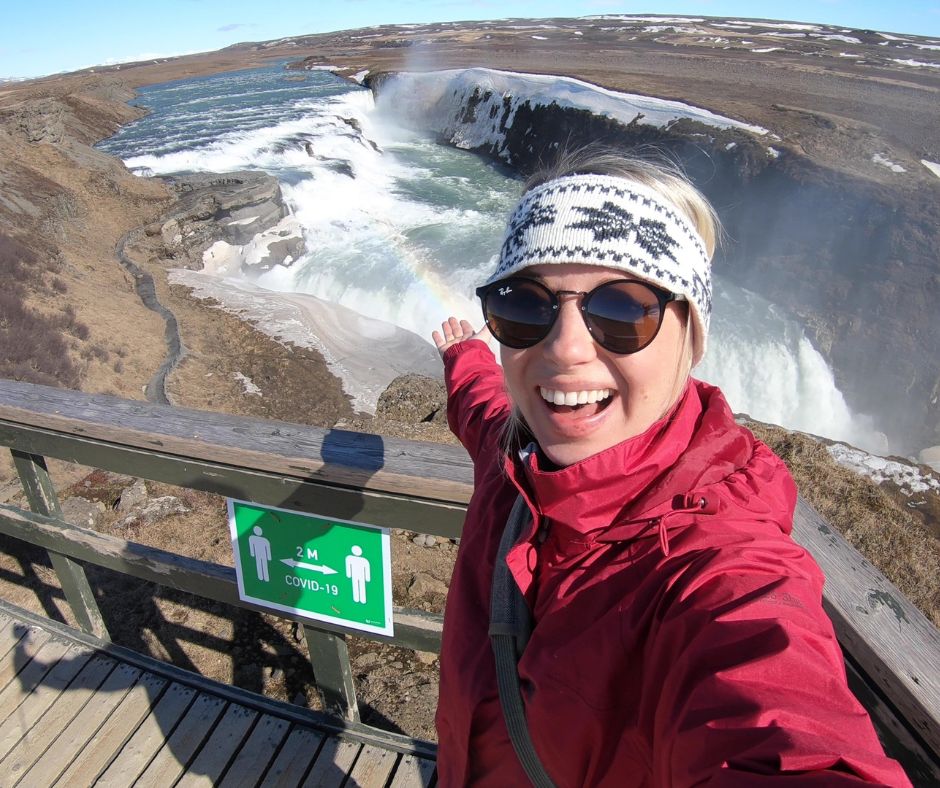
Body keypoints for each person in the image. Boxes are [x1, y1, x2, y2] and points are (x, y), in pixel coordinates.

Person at [430, 150, 909, 786]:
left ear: (690, 329)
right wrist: (465, 353)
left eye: (625, 309)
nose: (565, 347)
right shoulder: (513, 453)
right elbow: (484, 404)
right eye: (524, 306)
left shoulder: (716, 565)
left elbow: (775, 713)